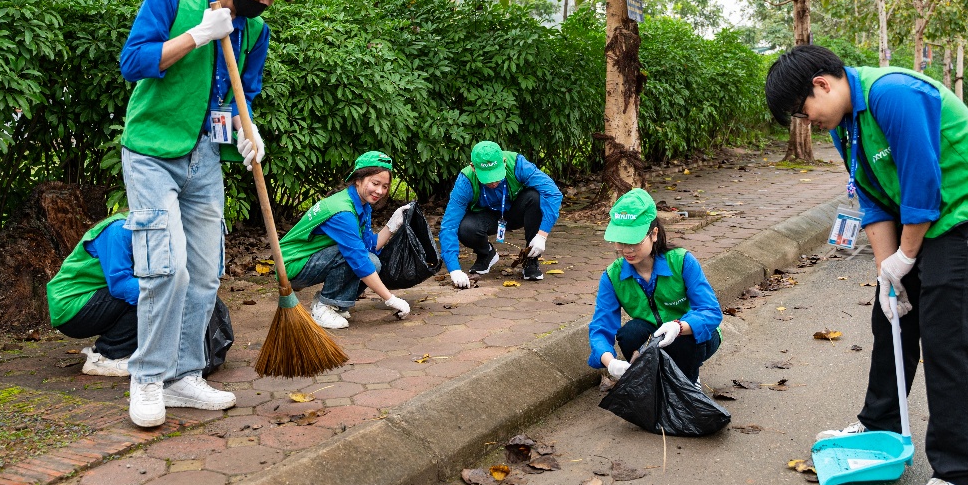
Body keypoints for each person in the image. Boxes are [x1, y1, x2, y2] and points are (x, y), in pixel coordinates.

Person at [765, 44, 968, 485]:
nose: (806, 120)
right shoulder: (845, 125)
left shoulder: (893, 93)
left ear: (822, 84)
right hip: (920, 220)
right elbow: (873, 200)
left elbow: (922, 187)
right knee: (891, 316)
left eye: (803, 109)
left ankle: (960, 478)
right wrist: (887, 274)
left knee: (943, 338)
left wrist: (908, 255)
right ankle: (881, 423)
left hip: (966, 214)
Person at [118, 0, 301, 428]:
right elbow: (132, 64)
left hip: (204, 158)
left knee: (204, 272)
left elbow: (242, 94)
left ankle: (183, 376)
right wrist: (197, 35)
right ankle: (148, 378)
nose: (264, 3)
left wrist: (247, 130)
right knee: (165, 268)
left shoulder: (254, 32)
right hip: (152, 152)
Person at [587, 188, 723, 386]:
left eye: (634, 241)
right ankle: (658, 376)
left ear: (654, 234)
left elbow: (710, 311)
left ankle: (688, 378)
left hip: (692, 337)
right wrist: (611, 363)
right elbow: (601, 327)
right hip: (652, 337)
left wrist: (679, 326)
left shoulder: (682, 261)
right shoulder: (612, 275)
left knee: (685, 340)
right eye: (621, 241)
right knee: (629, 334)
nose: (627, 250)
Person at [278, 151, 415, 330]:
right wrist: (390, 299)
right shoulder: (343, 212)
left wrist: (392, 225)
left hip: (312, 260)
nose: (380, 191)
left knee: (372, 261)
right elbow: (357, 258)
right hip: (291, 266)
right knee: (356, 258)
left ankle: (337, 303)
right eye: (375, 183)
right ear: (358, 179)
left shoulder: (361, 203)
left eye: (385, 186)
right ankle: (324, 306)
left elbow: (370, 247)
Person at [440, 141, 562, 286]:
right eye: (486, 177)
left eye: (496, 175)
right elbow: (449, 226)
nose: (493, 182)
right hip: (486, 217)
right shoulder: (465, 181)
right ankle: (486, 254)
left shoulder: (517, 164)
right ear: (473, 168)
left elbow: (553, 193)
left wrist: (542, 235)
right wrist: (454, 269)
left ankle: (531, 260)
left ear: (503, 162)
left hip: (516, 212)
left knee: (535, 198)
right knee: (465, 228)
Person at [46, 214, 138, 377]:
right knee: (150, 294)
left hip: (92, 299)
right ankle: (108, 356)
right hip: (71, 306)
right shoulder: (119, 229)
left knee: (153, 291)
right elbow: (121, 285)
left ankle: (115, 346)